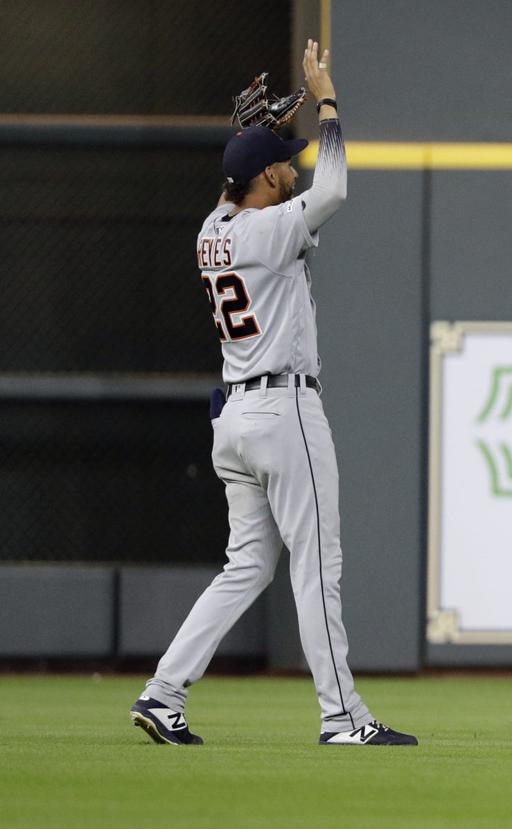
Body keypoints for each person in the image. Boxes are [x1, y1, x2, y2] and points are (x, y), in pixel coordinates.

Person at [129, 40, 417, 747]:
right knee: (318, 566)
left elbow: (243, 182)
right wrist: (328, 105)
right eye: (282, 161)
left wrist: (248, 141)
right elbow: (336, 189)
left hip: (234, 419)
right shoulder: (268, 226)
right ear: (262, 178)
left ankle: (163, 691)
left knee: (247, 565)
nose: (294, 166)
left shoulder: (212, 230)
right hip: (285, 411)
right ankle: (343, 717)